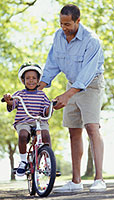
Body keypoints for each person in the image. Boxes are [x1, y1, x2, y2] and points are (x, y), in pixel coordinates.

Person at [38, 4, 106, 192]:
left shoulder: (92, 41)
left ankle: (99, 179)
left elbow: (87, 73)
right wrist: (40, 86)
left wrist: (68, 95)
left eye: (67, 24)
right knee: (73, 131)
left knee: (92, 127)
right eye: (61, 23)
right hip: (71, 83)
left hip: (91, 84)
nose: (64, 28)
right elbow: (52, 63)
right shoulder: (58, 37)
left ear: (78, 21)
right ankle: (76, 182)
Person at [3, 62, 52, 176]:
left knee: (45, 135)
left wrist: (50, 107)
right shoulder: (20, 94)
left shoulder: (42, 95)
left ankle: (49, 161)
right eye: (28, 78)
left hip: (39, 121)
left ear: (38, 80)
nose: (31, 80)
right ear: (23, 80)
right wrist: (9, 100)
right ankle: (23, 161)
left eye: (34, 78)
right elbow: (12, 104)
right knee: (23, 135)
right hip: (23, 121)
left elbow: (45, 111)